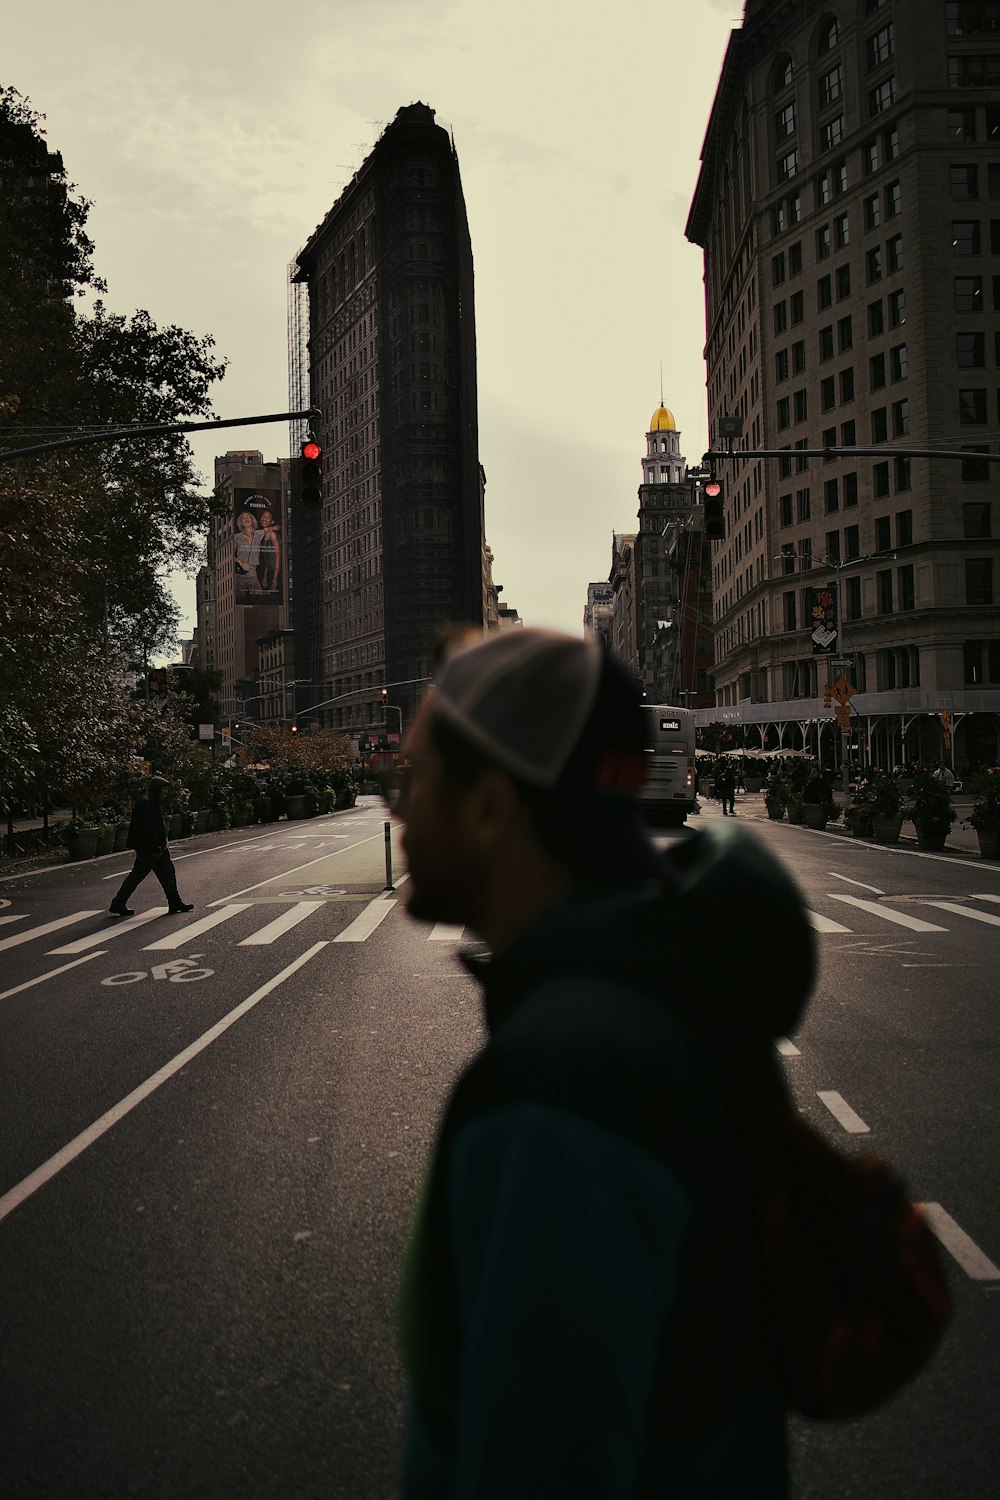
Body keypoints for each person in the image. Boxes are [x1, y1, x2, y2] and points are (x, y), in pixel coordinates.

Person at [390, 629, 816, 1498]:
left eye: (415, 776)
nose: (398, 809)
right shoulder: (666, 1002)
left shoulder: (562, 1090)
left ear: (491, 807)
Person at [109, 776, 194, 917]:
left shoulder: (150, 800)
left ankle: (175, 902)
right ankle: (118, 902)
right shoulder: (146, 802)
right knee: (138, 876)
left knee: (167, 874)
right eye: (163, 790)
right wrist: (156, 847)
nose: (164, 793)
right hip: (150, 849)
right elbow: (148, 828)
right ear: (157, 789)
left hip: (156, 847)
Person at [257, 508, 281, 595]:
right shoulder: (264, 536)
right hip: (271, 572)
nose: (264, 518)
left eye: (268, 517)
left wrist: (275, 580)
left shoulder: (273, 534)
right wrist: (265, 576)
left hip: (277, 573)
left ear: (272, 521)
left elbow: (278, 557)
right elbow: (268, 557)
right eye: (263, 516)